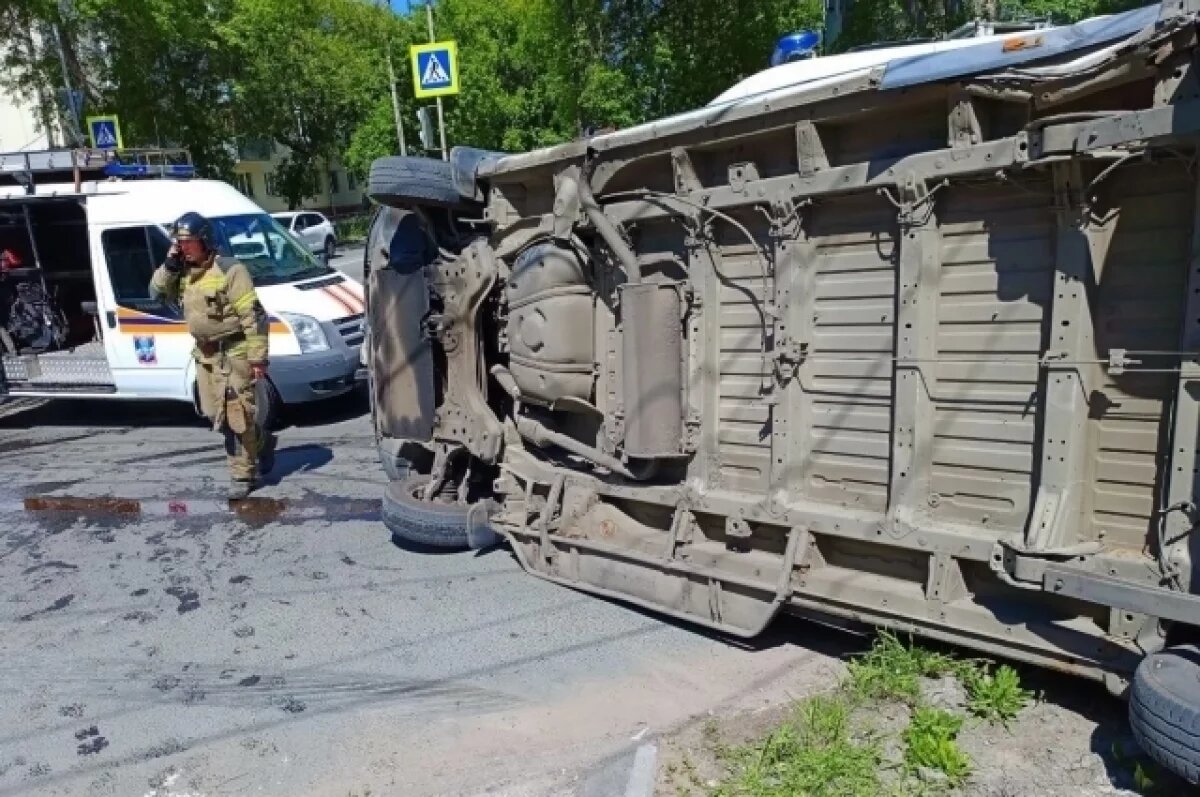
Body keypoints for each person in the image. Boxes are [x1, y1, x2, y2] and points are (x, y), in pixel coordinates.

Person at [149, 212, 274, 498]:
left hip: (235, 352)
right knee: (212, 412)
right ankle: (261, 443)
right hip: (205, 356)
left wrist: (258, 359)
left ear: (205, 241)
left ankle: (243, 475)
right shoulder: (180, 272)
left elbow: (253, 316)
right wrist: (169, 263)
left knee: (236, 414)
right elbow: (155, 293)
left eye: (189, 242)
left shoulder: (230, 270)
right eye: (180, 242)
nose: (184, 248)